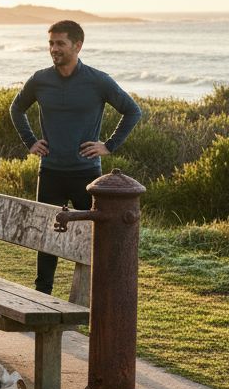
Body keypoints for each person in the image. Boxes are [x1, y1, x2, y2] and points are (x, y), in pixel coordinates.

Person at [10, 19, 142, 294]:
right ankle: (42, 295)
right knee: (47, 238)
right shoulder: (40, 79)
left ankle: (100, 294)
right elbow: (17, 108)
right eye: (51, 43)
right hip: (51, 172)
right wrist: (31, 142)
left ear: (77, 45)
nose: (54, 49)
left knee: (95, 240)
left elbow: (132, 111)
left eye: (60, 43)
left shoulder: (97, 80)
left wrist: (109, 145)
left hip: (87, 175)